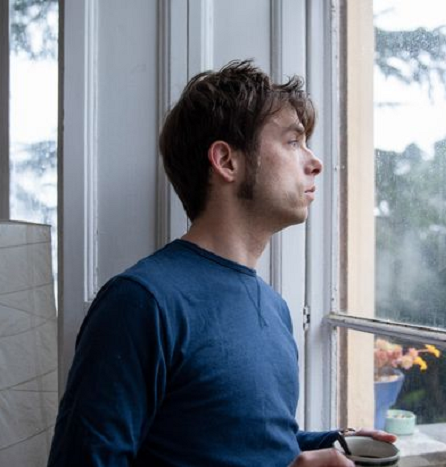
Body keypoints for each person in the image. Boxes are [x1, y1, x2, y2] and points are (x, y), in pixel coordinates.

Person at [47, 60, 395, 467]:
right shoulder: (141, 302)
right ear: (227, 162)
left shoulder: (274, 308)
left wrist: (334, 442)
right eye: (292, 142)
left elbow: (245, 442)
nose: (314, 162)